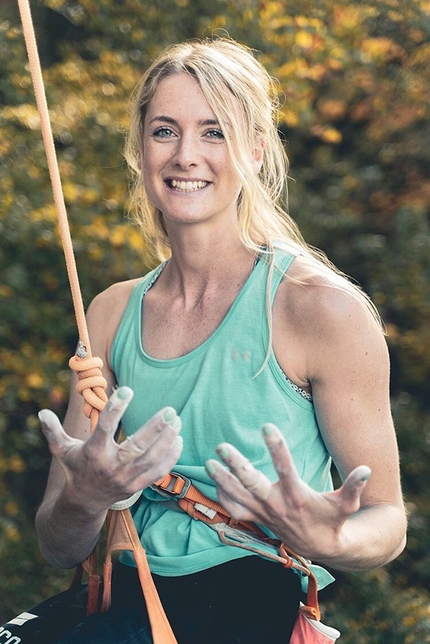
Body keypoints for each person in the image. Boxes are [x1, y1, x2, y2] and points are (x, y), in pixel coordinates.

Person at [35, 37, 407, 643]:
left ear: (256, 150)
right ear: (140, 149)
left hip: (246, 610)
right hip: (125, 604)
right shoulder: (108, 313)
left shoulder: (320, 310)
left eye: (214, 132)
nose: (186, 155)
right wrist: (87, 498)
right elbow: (56, 544)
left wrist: (330, 537)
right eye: (164, 131)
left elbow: (388, 521)